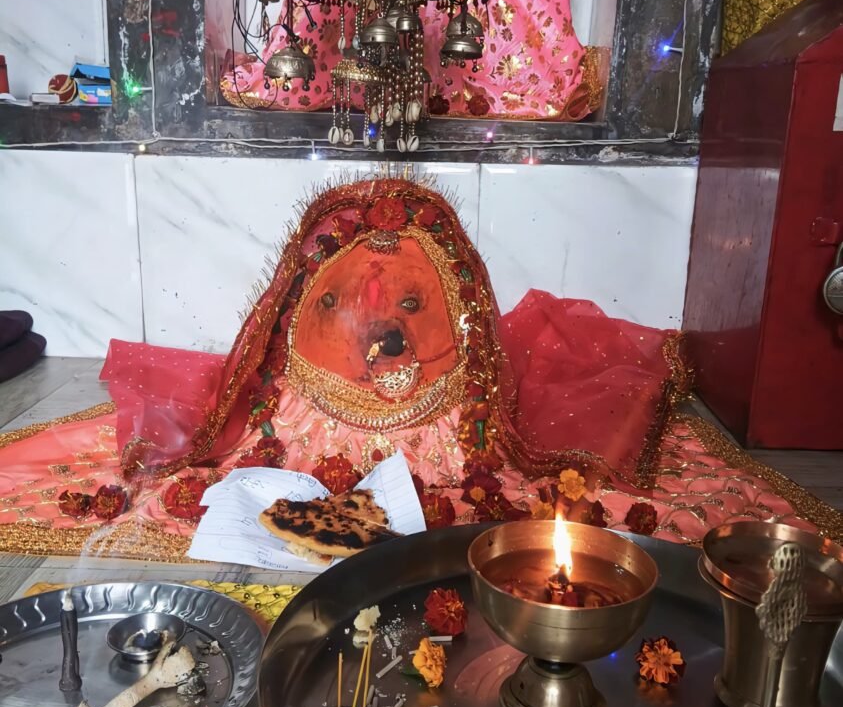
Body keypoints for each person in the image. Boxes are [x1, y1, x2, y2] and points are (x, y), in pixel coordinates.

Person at [0, 177, 831, 562]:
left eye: (403, 312)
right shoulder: (316, 334)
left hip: (439, 409)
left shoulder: (443, 327)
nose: (384, 329)